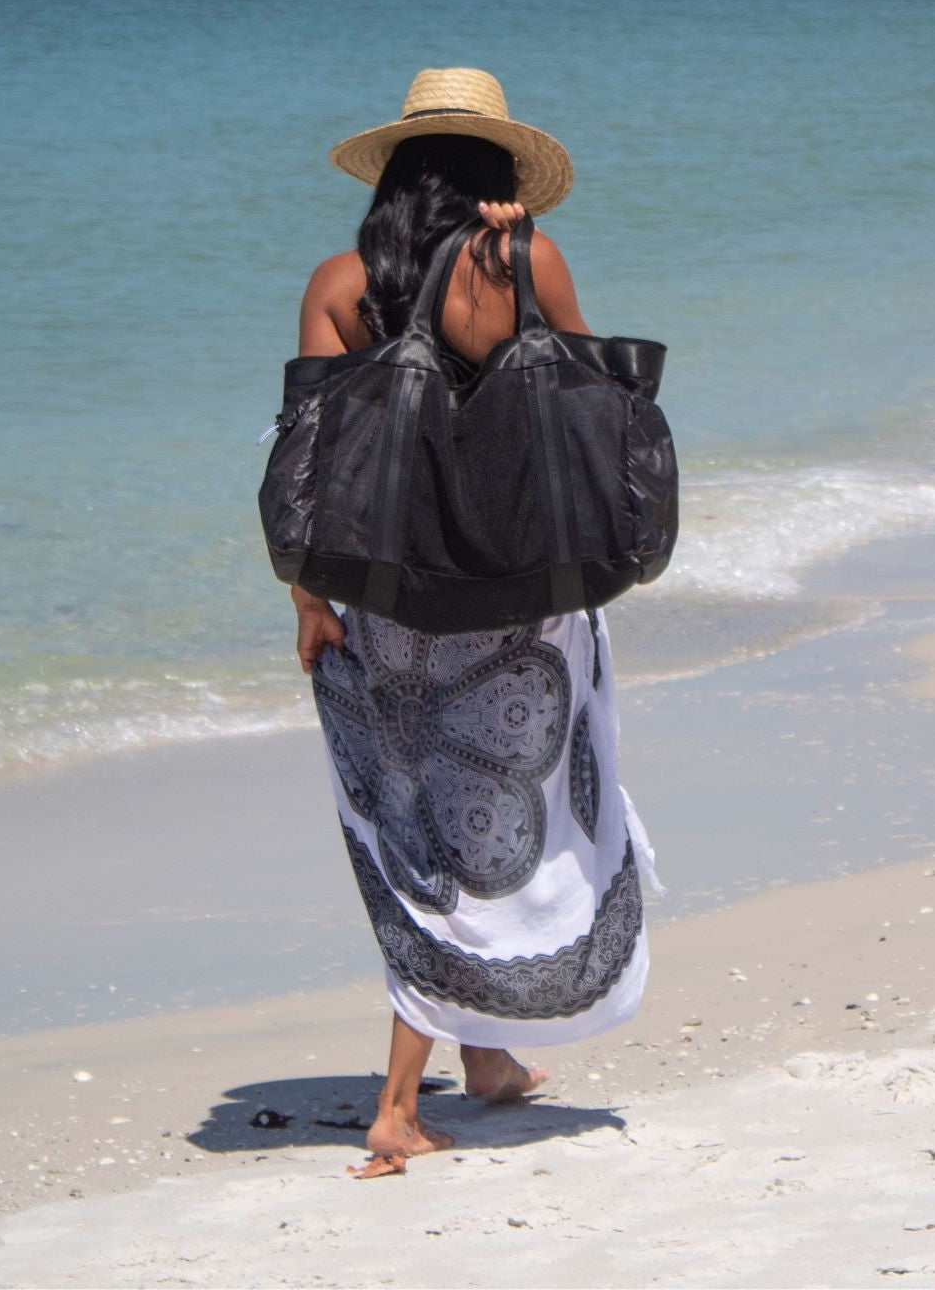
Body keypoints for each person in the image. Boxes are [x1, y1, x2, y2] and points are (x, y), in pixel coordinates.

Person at [290, 69, 656, 1174]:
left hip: (385, 600)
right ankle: (400, 1105)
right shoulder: (526, 262)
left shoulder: (341, 281)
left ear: (396, 170)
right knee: (495, 834)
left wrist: (306, 596)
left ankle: (486, 1063)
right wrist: (520, 270)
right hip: (518, 598)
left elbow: (304, 453)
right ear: (503, 175)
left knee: (418, 841)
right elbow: (597, 407)